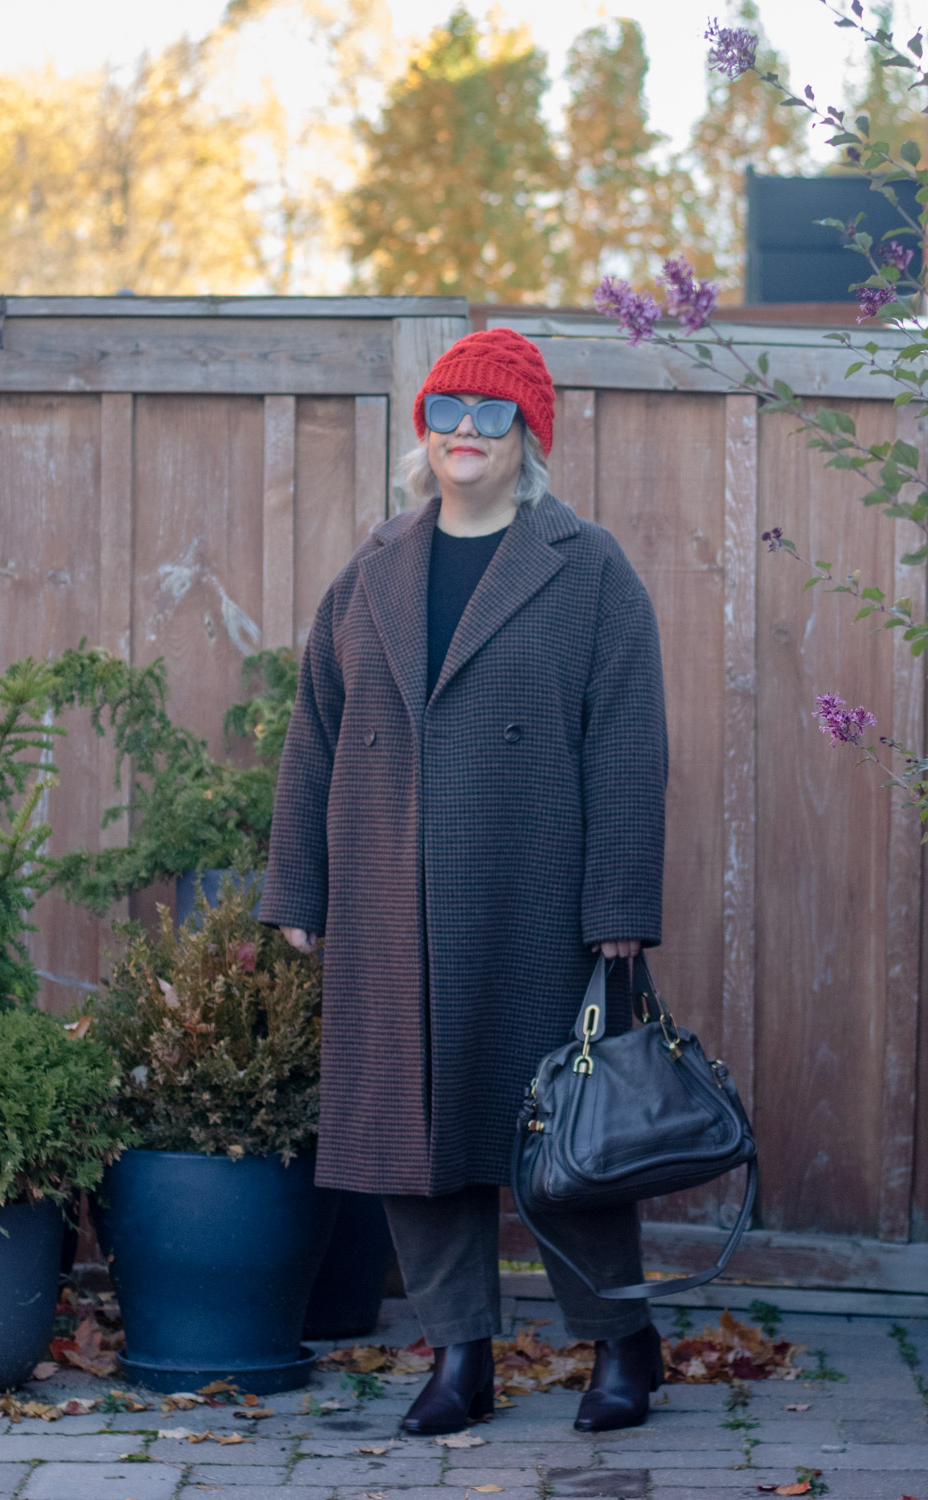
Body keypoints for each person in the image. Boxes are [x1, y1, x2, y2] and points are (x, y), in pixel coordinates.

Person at [259, 326, 668, 1435]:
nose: (467, 435)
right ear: (424, 431)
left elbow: (629, 738)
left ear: (527, 434)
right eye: (450, 412)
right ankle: (460, 1357)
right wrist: (298, 888)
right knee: (413, 1140)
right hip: (393, 899)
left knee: (564, 1144)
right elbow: (316, 730)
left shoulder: (586, 568)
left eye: (493, 416)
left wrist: (621, 905)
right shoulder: (375, 567)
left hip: (536, 898)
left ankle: (621, 1343)